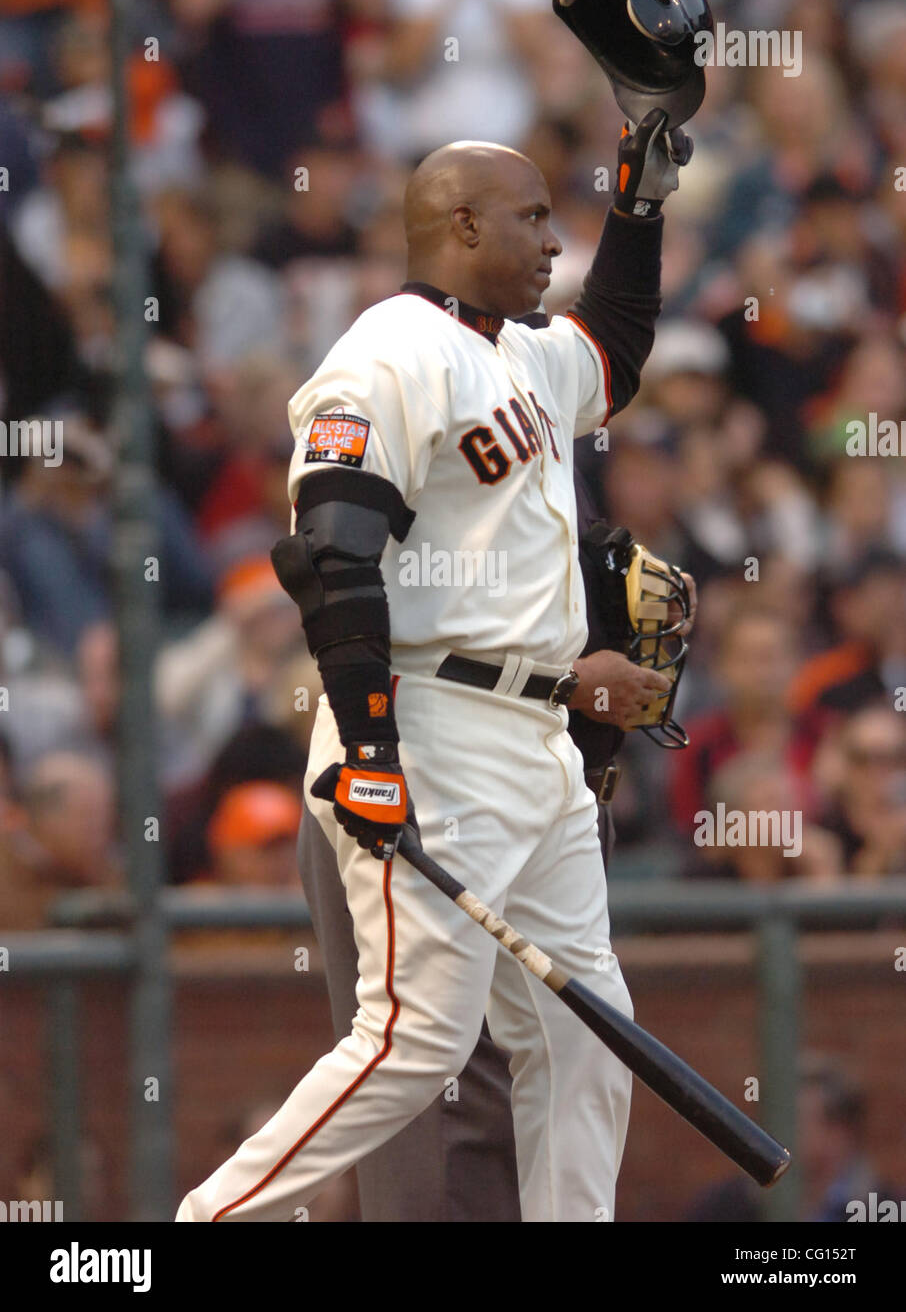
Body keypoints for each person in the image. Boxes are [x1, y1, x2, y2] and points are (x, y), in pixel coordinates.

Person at [177, 112, 691, 1222]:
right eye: (533, 218)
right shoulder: (387, 352)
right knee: (414, 1041)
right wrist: (369, 750)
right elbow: (333, 558)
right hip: (437, 726)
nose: (555, 243)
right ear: (461, 222)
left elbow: (618, 347)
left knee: (590, 1035)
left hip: (538, 742)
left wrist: (637, 206)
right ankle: (210, 1219)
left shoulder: (525, 351)